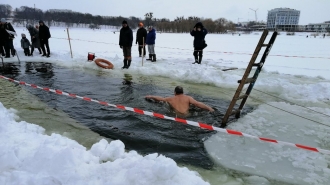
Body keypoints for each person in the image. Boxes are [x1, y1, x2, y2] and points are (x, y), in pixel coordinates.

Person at [145, 86, 214, 118]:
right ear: (183, 92)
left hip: (176, 116)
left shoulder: (171, 99)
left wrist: (151, 96)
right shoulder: (188, 98)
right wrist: (209, 108)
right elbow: (197, 104)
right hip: (187, 116)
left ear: (175, 92)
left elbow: (160, 99)